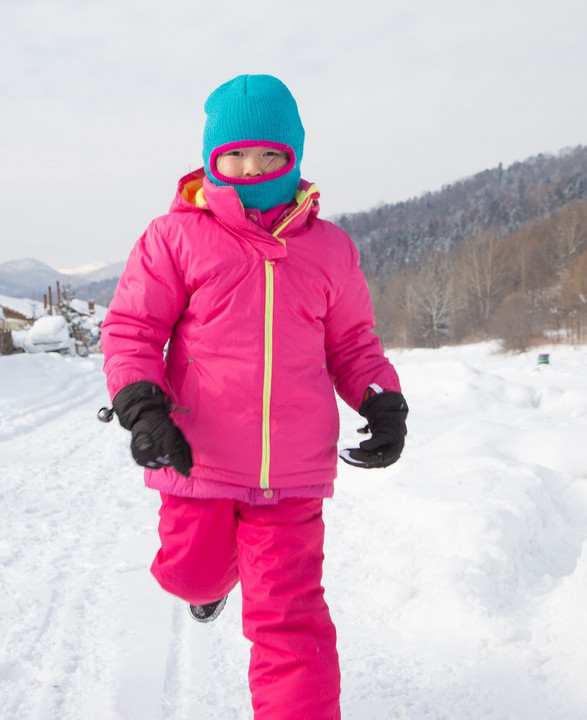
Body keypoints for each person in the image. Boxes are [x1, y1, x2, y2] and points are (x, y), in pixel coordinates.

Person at [101, 74, 407, 720]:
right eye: (235, 156)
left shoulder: (329, 250)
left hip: (291, 477)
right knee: (191, 572)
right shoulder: (175, 238)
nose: (251, 169)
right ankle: (210, 587)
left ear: (294, 159)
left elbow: (353, 344)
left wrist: (381, 401)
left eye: (271, 156)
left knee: (292, 625)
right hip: (198, 461)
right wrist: (142, 407)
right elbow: (133, 329)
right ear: (212, 158)